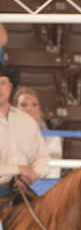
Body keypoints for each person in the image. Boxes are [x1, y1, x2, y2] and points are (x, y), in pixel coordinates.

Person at [0, 64, 51, 197]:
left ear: (11, 86)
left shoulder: (27, 121)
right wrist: (19, 170)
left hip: (24, 188)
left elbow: (42, 158)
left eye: (3, 83)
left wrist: (32, 174)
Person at [13, 87, 63, 167]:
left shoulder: (53, 139)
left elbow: (52, 172)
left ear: (39, 109)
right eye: (23, 105)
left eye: (34, 105)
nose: (29, 109)